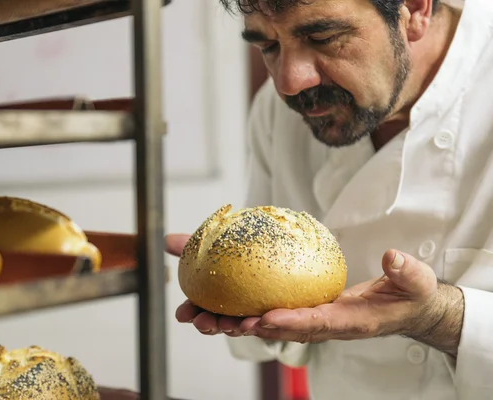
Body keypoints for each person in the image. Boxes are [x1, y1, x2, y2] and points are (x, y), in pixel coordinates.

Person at [165, 0, 493, 398]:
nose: (288, 82)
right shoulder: (277, 111)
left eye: (322, 38)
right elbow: (270, 321)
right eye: (268, 46)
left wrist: (441, 317)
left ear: (415, 9)